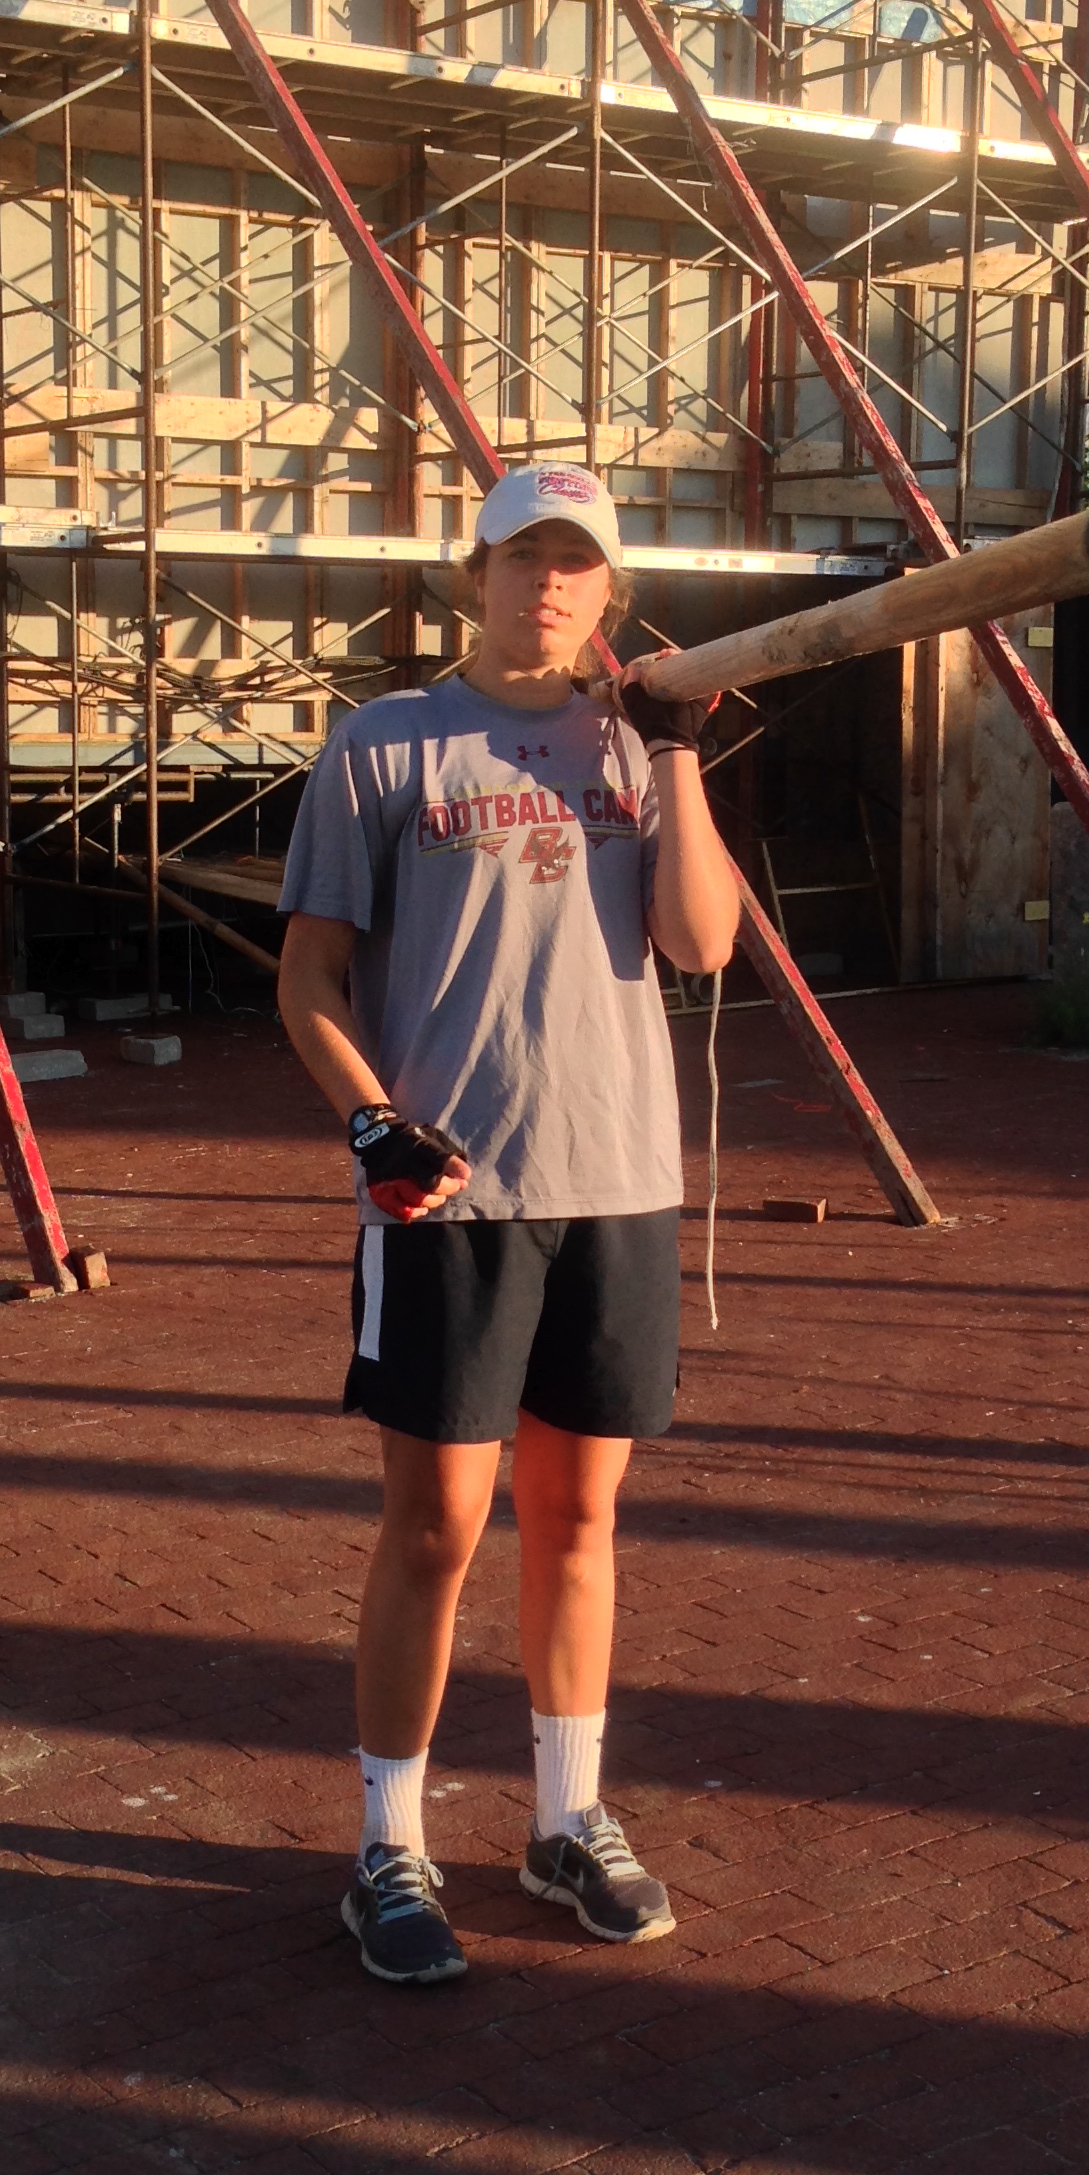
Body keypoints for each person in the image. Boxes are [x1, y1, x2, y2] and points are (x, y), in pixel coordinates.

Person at [276, 464, 742, 1986]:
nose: (547, 584)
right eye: (521, 557)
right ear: (470, 576)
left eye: (575, 563)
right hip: (451, 1190)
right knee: (436, 1528)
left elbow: (701, 942)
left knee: (580, 1521)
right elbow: (309, 978)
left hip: (618, 1179)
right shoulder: (384, 745)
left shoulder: (636, 748)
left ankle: (565, 1821)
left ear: (610, 592)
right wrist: (369, 1120)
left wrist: (678, 754)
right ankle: (387, 1847)